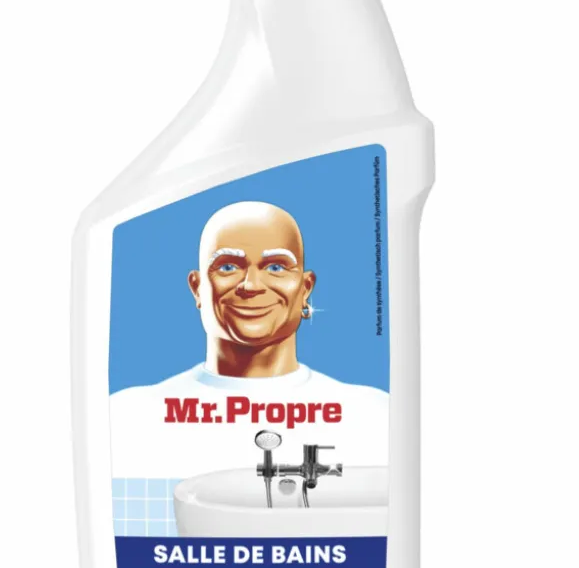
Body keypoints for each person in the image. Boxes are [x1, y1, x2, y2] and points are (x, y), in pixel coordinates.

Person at [110, 202, 388, 479]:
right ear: (197, 288)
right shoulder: (128, 418)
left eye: (276, 267)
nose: (251, 286)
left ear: (305, 289)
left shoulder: (374, 416)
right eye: (228, 267)